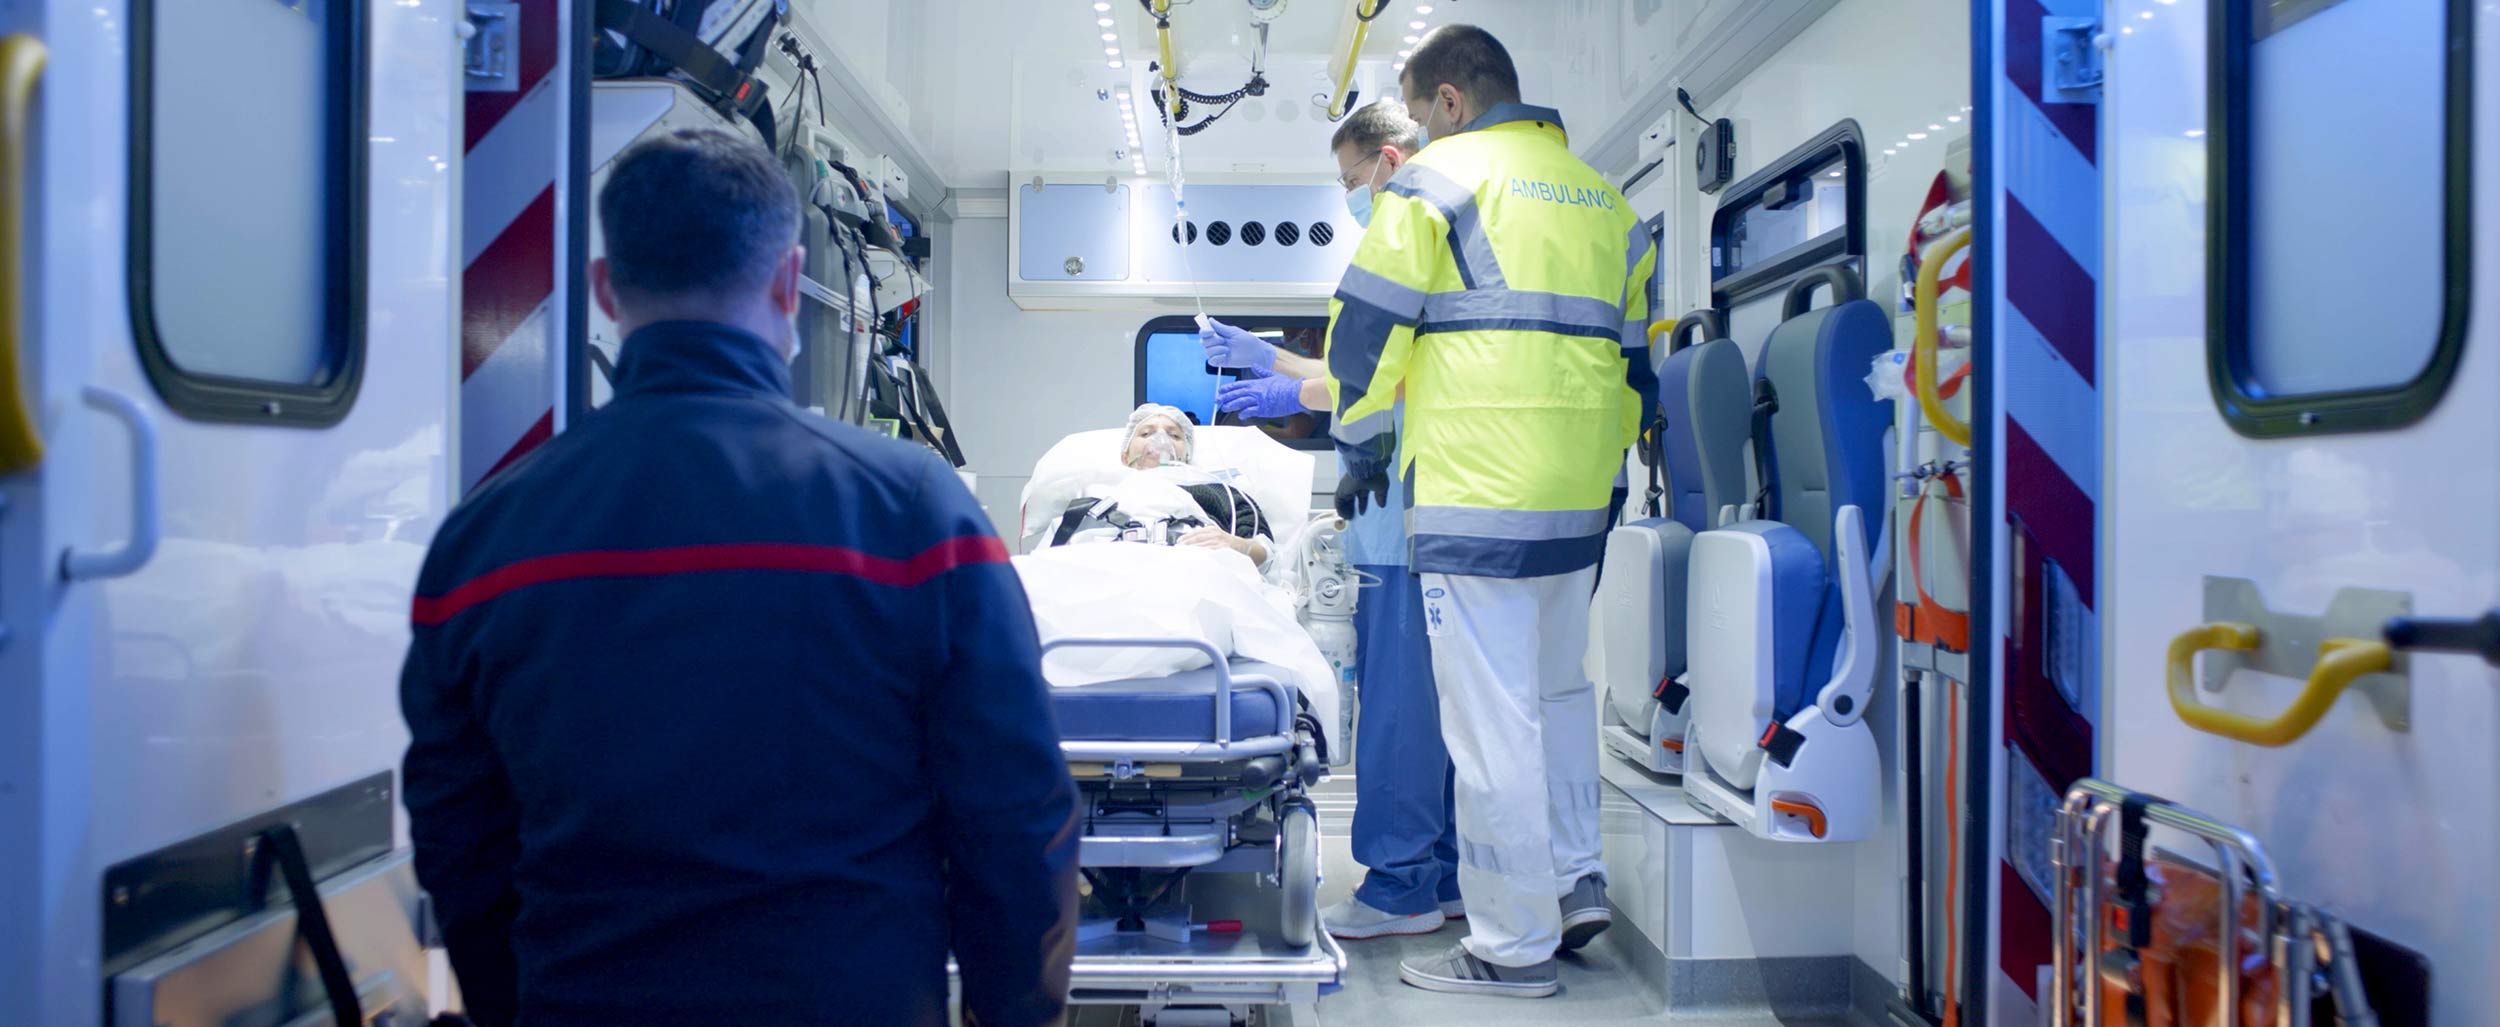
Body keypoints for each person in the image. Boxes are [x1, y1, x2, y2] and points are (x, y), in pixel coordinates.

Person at [399, 127, 1080, 1027]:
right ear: (789, 282)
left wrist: (513, 1002)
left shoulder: (485, 538)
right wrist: (1015, 1013)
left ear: (606, 291)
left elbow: (459, 838)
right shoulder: (914, 515)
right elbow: (1015, 814)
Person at [1326, 26, 1661, 999]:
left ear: (1448, 103)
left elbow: (1364, 334)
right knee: (1558, 701)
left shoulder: (1435, 183)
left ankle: (1508, 947)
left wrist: (1360, 450)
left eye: (1421, 113)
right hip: (1579, 497)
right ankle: (1568, 886)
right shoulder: (1606, 200)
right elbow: (1635, 362)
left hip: (1477, 491)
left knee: (1489, 725)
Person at [1201, 102, 1470, 943]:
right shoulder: (1442, 239)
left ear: (1388, 161)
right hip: (1407, 502)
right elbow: (1353, 371)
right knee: (1434, 711)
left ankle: (1400, 884)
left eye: (1353, 180)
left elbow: (1375, 381)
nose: (1351, 196)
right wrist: (1268, 357)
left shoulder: (1413, 239)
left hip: (1404, 513)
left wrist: (1284, 390)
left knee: (1400, 713)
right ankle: (1446, 872)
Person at [1048, 403, 1274, 566]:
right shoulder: (1095, 497)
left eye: (1174, 436)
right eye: (1146, 433)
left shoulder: (1219, 491)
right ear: (1125, 456)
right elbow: (1050, 558)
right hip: (1108, 573)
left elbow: (1266, 554)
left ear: (1187, 455)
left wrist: (1237, 545)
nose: (1160, 439)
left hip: (1193, 575)